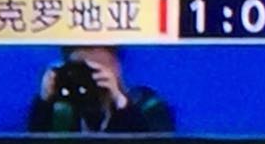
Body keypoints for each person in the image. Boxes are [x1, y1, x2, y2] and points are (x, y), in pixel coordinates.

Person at [27, 46, 174, 134]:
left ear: (117, 67)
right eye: (82, 69)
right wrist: (43, 103)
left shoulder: (146, 104)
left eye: (98, 68)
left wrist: (121, 103)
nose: (91, 77)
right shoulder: (61, 110)